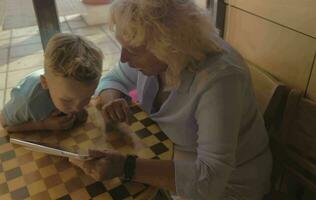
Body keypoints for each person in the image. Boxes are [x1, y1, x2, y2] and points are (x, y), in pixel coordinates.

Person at [68, 0, 272, 199]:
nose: (123, 58)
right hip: (174, 159)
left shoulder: (220, 80)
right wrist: (112, 99)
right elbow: (113, 78)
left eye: (132, 51)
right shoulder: (157, 56)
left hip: (230, 185)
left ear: (168, 46)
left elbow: (211, 179)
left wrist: (126, 166)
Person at [0, 33, 103, 132]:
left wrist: (78, 111)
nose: (77, 107)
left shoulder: (68, 90)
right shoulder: (27, 102)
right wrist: (42, 125)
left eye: (87, 97)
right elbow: (5, 125)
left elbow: (77, 103)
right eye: (67, 100)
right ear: (45, 83)